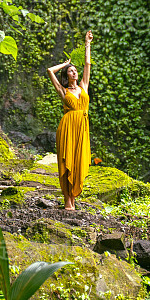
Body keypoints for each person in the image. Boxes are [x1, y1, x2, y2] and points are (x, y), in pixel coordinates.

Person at [47, 31, 93, 211]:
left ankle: (74, 196)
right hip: (67, 127)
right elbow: (50, 71)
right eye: (71, 71)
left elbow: (87, 64)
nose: (74, 72)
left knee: (79, 160)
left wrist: (87, 43)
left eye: (75, 70)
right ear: (67, 75)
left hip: (82, 127)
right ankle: (67, 200)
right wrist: (65, 64)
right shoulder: (63, 90)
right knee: (66, 162)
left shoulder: (84, 86)